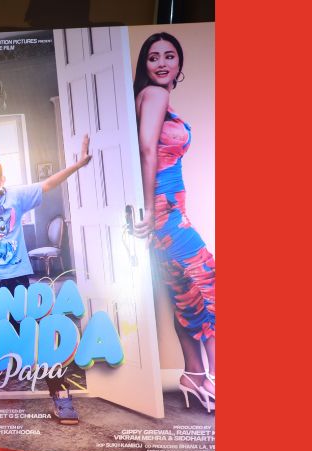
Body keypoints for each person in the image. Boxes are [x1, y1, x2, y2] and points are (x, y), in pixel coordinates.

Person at [0, 141, 91, 424]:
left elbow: (48, 184)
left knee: (36, 338)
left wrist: (78, 165)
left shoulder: (16, 197)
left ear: (2, 180)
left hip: (16, 280)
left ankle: (60, 395)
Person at [132, 32, 215, 412]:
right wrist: (150, 210)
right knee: (212, 287)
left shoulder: (149, 96)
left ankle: (195, 375)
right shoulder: (154, 94)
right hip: (165, 216)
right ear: (145, 65)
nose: (162, 63)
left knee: (186, 294)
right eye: (154, 57)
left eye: (169, 56)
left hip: (171, 213)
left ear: (179, 62)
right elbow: (147, 148)